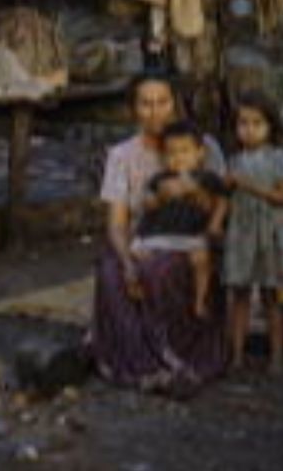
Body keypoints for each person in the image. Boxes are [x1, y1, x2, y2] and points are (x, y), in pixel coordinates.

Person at [88, 72, 230, 394]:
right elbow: (118, 222)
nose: (155, 112)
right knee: (110, 272)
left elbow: (220, 205)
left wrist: (189, 191)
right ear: (133, 110)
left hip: (192, 239)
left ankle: (177, 358)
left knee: (157, 272)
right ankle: (142, 365)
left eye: (163, 102)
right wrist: (126, 261)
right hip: (145, 238)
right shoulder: (122, 156)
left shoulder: (203, 146)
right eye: (145, 104)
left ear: (175, 104)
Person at [222, 91, 283, 374]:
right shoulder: (234, 160)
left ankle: (277, 357)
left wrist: (246, 185)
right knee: (240, 295)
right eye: (243, 123)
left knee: (272, 298)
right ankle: (236, 355)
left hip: (271, 237)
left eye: (257, 123)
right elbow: (225, 198)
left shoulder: (280, 158)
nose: (249, 129)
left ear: (271, 126)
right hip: (243, 236)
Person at [133, 123, 229, 319]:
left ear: (200, 153)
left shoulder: (206, 177)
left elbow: (222, 200)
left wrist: (215, 223)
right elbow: (147, 204)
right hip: (159, 233)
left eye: (185, 151)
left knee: (201, 259)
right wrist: (160, 197)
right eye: (171, 153)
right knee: (137, 252)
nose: (178, 158)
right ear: (163, 157)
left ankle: (199, 301)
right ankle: (137, 286)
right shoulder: (159, 179)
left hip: (190, 234)